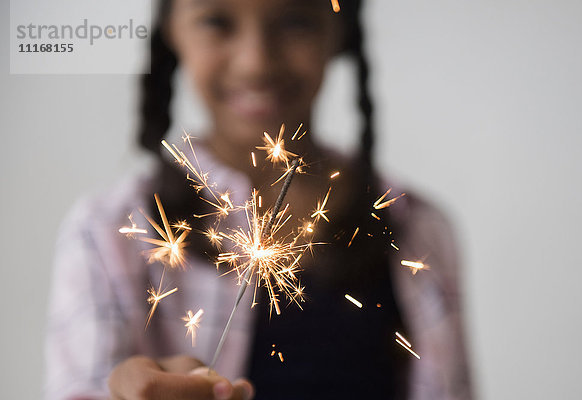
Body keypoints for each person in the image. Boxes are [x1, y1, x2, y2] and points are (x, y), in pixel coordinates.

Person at [44, 0, 472, 399]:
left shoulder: (417, 228)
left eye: (294, 21)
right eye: (217, 21)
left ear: (339, 27)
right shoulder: (106, 232)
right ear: (171, 28)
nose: (256, 62)